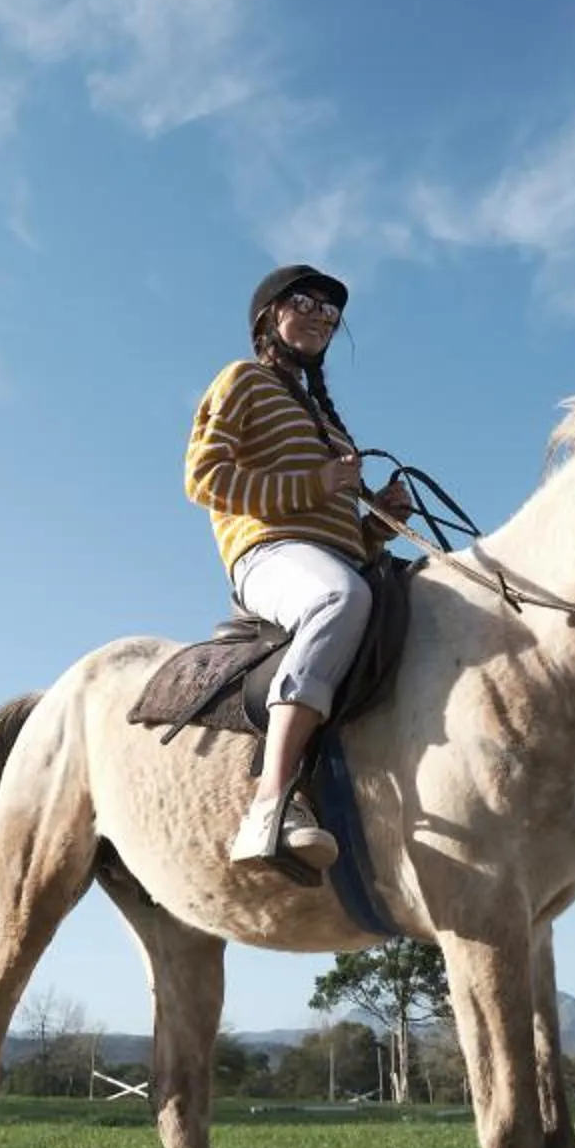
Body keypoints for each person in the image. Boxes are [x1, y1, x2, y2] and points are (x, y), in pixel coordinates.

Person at [185, 264, 410, 870]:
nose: (319, 317)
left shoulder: (330, 424)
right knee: (339, 598)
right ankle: (270, 802)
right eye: (305, 302)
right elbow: (203, 478)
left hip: (330, 558)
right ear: (269, 316)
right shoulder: (241, 380)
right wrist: (316, 481)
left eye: (330, 313)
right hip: (266, 554)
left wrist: (380, 522)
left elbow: (341, 535)